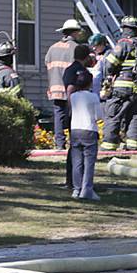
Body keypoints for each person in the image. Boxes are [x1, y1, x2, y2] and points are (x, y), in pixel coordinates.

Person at [101, 16, 137, 151]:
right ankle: (133, 143)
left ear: (124, 29)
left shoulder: (123, 44)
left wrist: (109, 75)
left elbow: (110, 64)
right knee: (134, 114)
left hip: (122, 86)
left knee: (113, 114)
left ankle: (109, 144)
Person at [44, 19, 84, 150]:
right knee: (74, 115)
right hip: (71, 88)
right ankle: (74, 143)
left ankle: (59, 144)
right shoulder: (76, 48)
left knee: (59, 115)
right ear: (75, 32)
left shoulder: (52, 48)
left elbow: (48, 66)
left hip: (54, 88)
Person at [68, 70, 103, 201]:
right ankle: (87, 189)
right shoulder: (93, 97)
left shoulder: (73, 96)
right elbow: (98, 116)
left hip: (75, 130)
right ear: (90, 83)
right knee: (89, 162)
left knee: (77, 161)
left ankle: (76, 189)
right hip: (89, 129)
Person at [62, 43, 93, 187]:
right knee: (75, 150)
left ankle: (75, 180)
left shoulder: (70, 69)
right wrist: (73, 110)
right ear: (86, 57)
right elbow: (70, 91)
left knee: (75, 149)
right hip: (77, 114)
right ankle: (74, 181)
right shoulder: (78, 71)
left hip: (74, 113)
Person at [88, 33, 109, 97]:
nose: (94, 48)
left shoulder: (108, 54)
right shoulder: (94, 55)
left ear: (102, 44)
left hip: (103, 89)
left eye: (96, 46)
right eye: (92, 46)